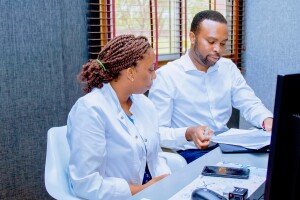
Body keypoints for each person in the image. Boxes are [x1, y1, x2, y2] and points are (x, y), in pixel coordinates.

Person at [148, 10, 273, 164]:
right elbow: (156, 133)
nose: (218, 49)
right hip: (190, 152)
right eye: (211, 41)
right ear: (193, 37)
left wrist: (266, 119)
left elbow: (249, 103)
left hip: (226, 147)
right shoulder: (166, 76)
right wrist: (188, 133)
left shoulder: (228, 68)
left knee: (268, 167)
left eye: (222, 43)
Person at [67, 34, 170, 200]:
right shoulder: (90, 110)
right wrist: (142, 190)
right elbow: (86, 184)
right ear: (130, 73)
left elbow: (156, 158)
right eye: (151, 69)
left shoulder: (145, 104)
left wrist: (166, 183)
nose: (155, 75)